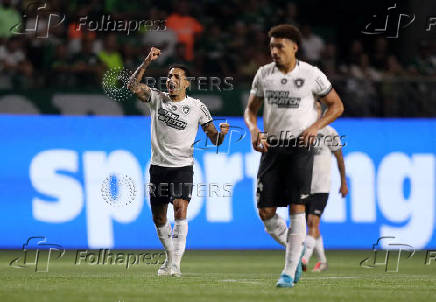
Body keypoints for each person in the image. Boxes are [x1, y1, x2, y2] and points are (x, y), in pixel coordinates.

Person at [244, 24, 343, 288]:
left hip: (300, 145)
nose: (274, 51)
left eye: (280, 46)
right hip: (272, 146)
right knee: (265, 211)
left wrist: (315, 127)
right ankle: (297, 248)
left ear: (295, 47)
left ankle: (288, 272)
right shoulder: (263, 74)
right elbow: (250, 110)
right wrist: (254, 130)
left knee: (297, 207)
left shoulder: (312, 74)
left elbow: (337, 105)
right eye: (272, 46)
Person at [127, 47, 229, 277]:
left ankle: (175, 265)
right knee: (159, 217)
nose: (170, 80)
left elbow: (214, 139)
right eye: (168, 76)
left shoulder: (198, 107)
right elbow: (132, 86)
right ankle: (170, 258)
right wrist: (146, 62)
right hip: (158, 166)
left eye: (176, 77)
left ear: (187, 83)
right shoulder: (156, 99)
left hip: (182, 167)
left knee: (180, 209)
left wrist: (222, 134)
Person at [302, 104, 348, 272]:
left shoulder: (330, 132)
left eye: (318, 107)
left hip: (322, 186)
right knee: (312, 226)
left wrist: (343, 182)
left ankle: (304, 258)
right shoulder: (302, 130)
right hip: (304, 185)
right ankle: (322, 261)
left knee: (312, 222)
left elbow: (340, 159)